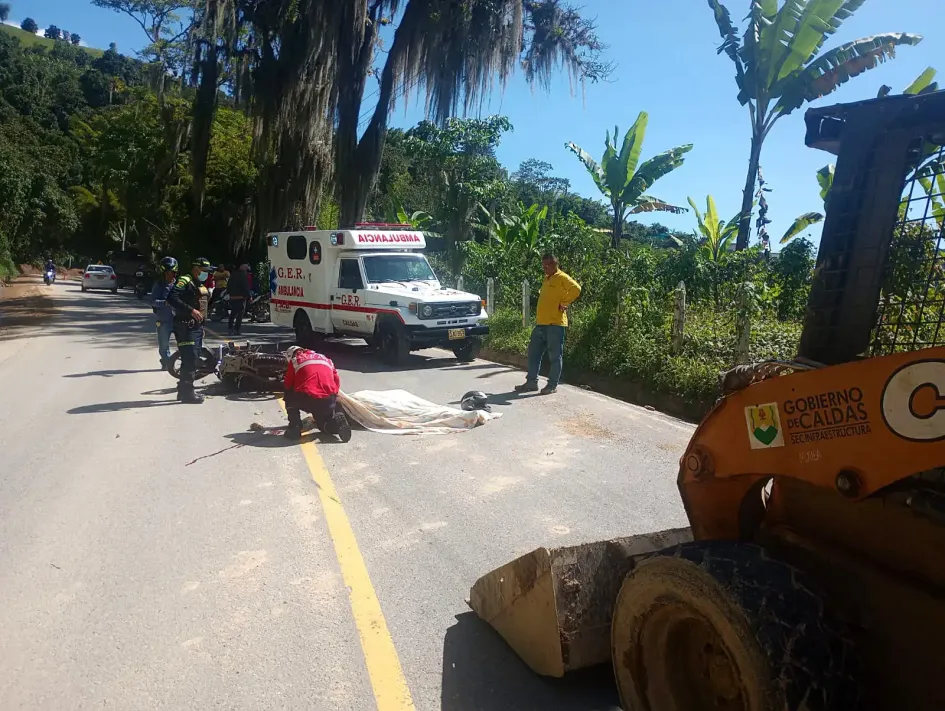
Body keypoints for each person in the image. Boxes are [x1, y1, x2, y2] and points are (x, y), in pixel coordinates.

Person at [514, 254, 581, 395]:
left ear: (555, 264)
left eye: (548, 265)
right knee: (533, 353)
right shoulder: (546, 279)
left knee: (555, 357)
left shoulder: (562, 277)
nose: (545, 268)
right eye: (543, 265)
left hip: (555, 324)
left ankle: (552, 385)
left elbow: (577, 289)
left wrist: (564, 302)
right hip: (541, 324)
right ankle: (531, 382)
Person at [283, 345, 351, 442]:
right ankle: (336, 423)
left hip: (307, 397)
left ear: (290, 356)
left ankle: (295, 427)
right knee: (322, 423)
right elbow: (336, 381)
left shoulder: (295, 360)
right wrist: (332, 397)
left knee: (288, 394)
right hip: (327, 400)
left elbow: (288, 384)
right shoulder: (326, 359)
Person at [167, 257, 212, 404]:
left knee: (192, 358)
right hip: (185, 326)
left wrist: (201, 325)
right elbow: (171, 298)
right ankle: (187, 393)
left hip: (195, 327)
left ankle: (183, 390)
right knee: (190, 358)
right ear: (195, 268)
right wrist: (191, 310)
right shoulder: (185, 280)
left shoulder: (199, 283)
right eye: (204, 271)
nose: (206, 274)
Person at [151, 256, 179, 370]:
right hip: (163, 320)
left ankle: (183, 362)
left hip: (178, 319)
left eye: (172, 272)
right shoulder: (159, 285)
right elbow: (153, 301)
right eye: (168, 272)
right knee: (164, 345)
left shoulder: (179, 284)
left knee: (183, 342)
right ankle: (167, 362)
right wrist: (165, 303)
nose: (171, 275)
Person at [227, 263, 251, 336]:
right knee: (240, 315)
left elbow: (228, 285)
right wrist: (249, 296)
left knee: (233, 314)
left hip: (233, 297)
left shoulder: (233, 274)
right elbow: (245, 286)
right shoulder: (243, 275)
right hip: (241, 297)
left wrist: (230, 294)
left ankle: (230, 328)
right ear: (244, 269)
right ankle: (236, 329)